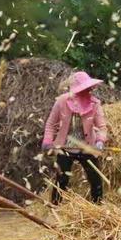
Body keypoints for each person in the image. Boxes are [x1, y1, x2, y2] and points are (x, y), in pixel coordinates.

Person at [42, 71, 107, 204]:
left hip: (87, 147)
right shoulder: (62, 101)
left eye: (89, 88)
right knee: (62, 179)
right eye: (84, 88)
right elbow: (51, 124)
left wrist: (100, 141)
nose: (88, 91)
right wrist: (47, 141)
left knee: (95, 179)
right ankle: (55, 207)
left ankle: (97, 206)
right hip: (65, 146)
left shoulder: (95, 103)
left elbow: (101, 127)